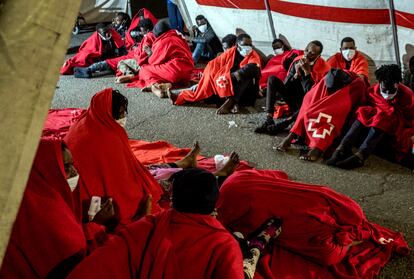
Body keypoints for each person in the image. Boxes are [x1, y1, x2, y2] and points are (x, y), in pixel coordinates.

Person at [217, 169, 409, 279]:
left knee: (330, 256)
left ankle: (260, 242)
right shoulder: (237, 177)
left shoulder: (223, 213)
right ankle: (260, 242)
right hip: (323, 199)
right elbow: (279, 175)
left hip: (310, 217)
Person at [66, 168, 245, 278]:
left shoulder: (150, 225)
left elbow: (98, 266)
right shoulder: (225, 245)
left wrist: (96, 227)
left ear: (174, 201)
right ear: (214, 203)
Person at [0, 139, 116, 278]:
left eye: (73, 164)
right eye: (65, 167)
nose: (74, 171)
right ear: (48, 171)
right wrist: (97, 224)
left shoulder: (32, 196)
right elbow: (77, 261)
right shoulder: (45, 213)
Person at [64, 88, 163, 225]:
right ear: (109, 113)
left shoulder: (83, 122)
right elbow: (122, 181)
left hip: (75, 192)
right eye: (120, 113)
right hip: (93, 200)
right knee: (146, 184)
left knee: (145, 172)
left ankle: (177, 165)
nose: (123, 117)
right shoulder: (110, 137)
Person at [327, 64, 414, 169]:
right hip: (377, 119)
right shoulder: (374, 91)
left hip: (395, 123)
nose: (387, 93)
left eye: (390, 91)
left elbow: (410, 117)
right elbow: (368, 105)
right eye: (384, 90)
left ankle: (361, 156)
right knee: (363, 112)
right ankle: (342, 148)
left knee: (382, 118)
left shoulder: (407, 94)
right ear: (380, 83)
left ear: (397, 84)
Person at [276, 69, 366, 161]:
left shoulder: (357, 84)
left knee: (329, 117)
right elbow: (312, 95)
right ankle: (291, 135)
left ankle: (318, 148)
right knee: (307, 104)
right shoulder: (329, 76)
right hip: (324, 97)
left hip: (339, 103)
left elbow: (357, 104)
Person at [170, 33, 262, 114]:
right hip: (227, 85)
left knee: (245, 75)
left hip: (245, 92)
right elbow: (214, 64)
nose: (248, 48)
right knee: (206, 86)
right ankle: (181, 96)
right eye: (245, 45)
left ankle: (231, 102)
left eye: (250, 45)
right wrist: (211, 76)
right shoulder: (231, 52)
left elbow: (254, 68)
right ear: (237, 46)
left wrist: (232, 76)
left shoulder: (254, 56)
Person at [255, 40, 330, 135]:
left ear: (318, 56)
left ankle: (284, 124)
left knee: (307, 106)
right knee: (272, 79)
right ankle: (269, 119)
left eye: (312, 54)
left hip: (307, 103)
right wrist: (295, 76)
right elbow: (286, 86)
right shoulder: (297, 61)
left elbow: (313, 97)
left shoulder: (324, 69)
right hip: (293, 99)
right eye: (306, 50)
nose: (306, 55)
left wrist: (307, 73)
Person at [126, 20, 194, 98]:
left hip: (175, 71)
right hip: (188, 72)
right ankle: (167, 85)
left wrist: (149, 53)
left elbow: (153, 61)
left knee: (144, 69)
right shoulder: (179, 37)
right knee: (159, 69)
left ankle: (155, 86)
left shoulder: (162, 40)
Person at [73, 19, 155, 79]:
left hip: (135, 57)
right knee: (113, 61)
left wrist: (137, 51)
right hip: (133, 55)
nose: (140, 31)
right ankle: (89, 69)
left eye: (141, 30)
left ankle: (88, 70)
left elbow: (144, 54)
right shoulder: (151, 35)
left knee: (112, 62)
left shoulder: (148, 37)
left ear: (147, 30)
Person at [61, 23, 126, 75]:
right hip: (96, 58)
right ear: (99, 33)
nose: (107, 34)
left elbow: (121, 47)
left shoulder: (112, 33)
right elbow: (86, 52)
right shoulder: (93, 40)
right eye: (104, 32)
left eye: (107, 31)